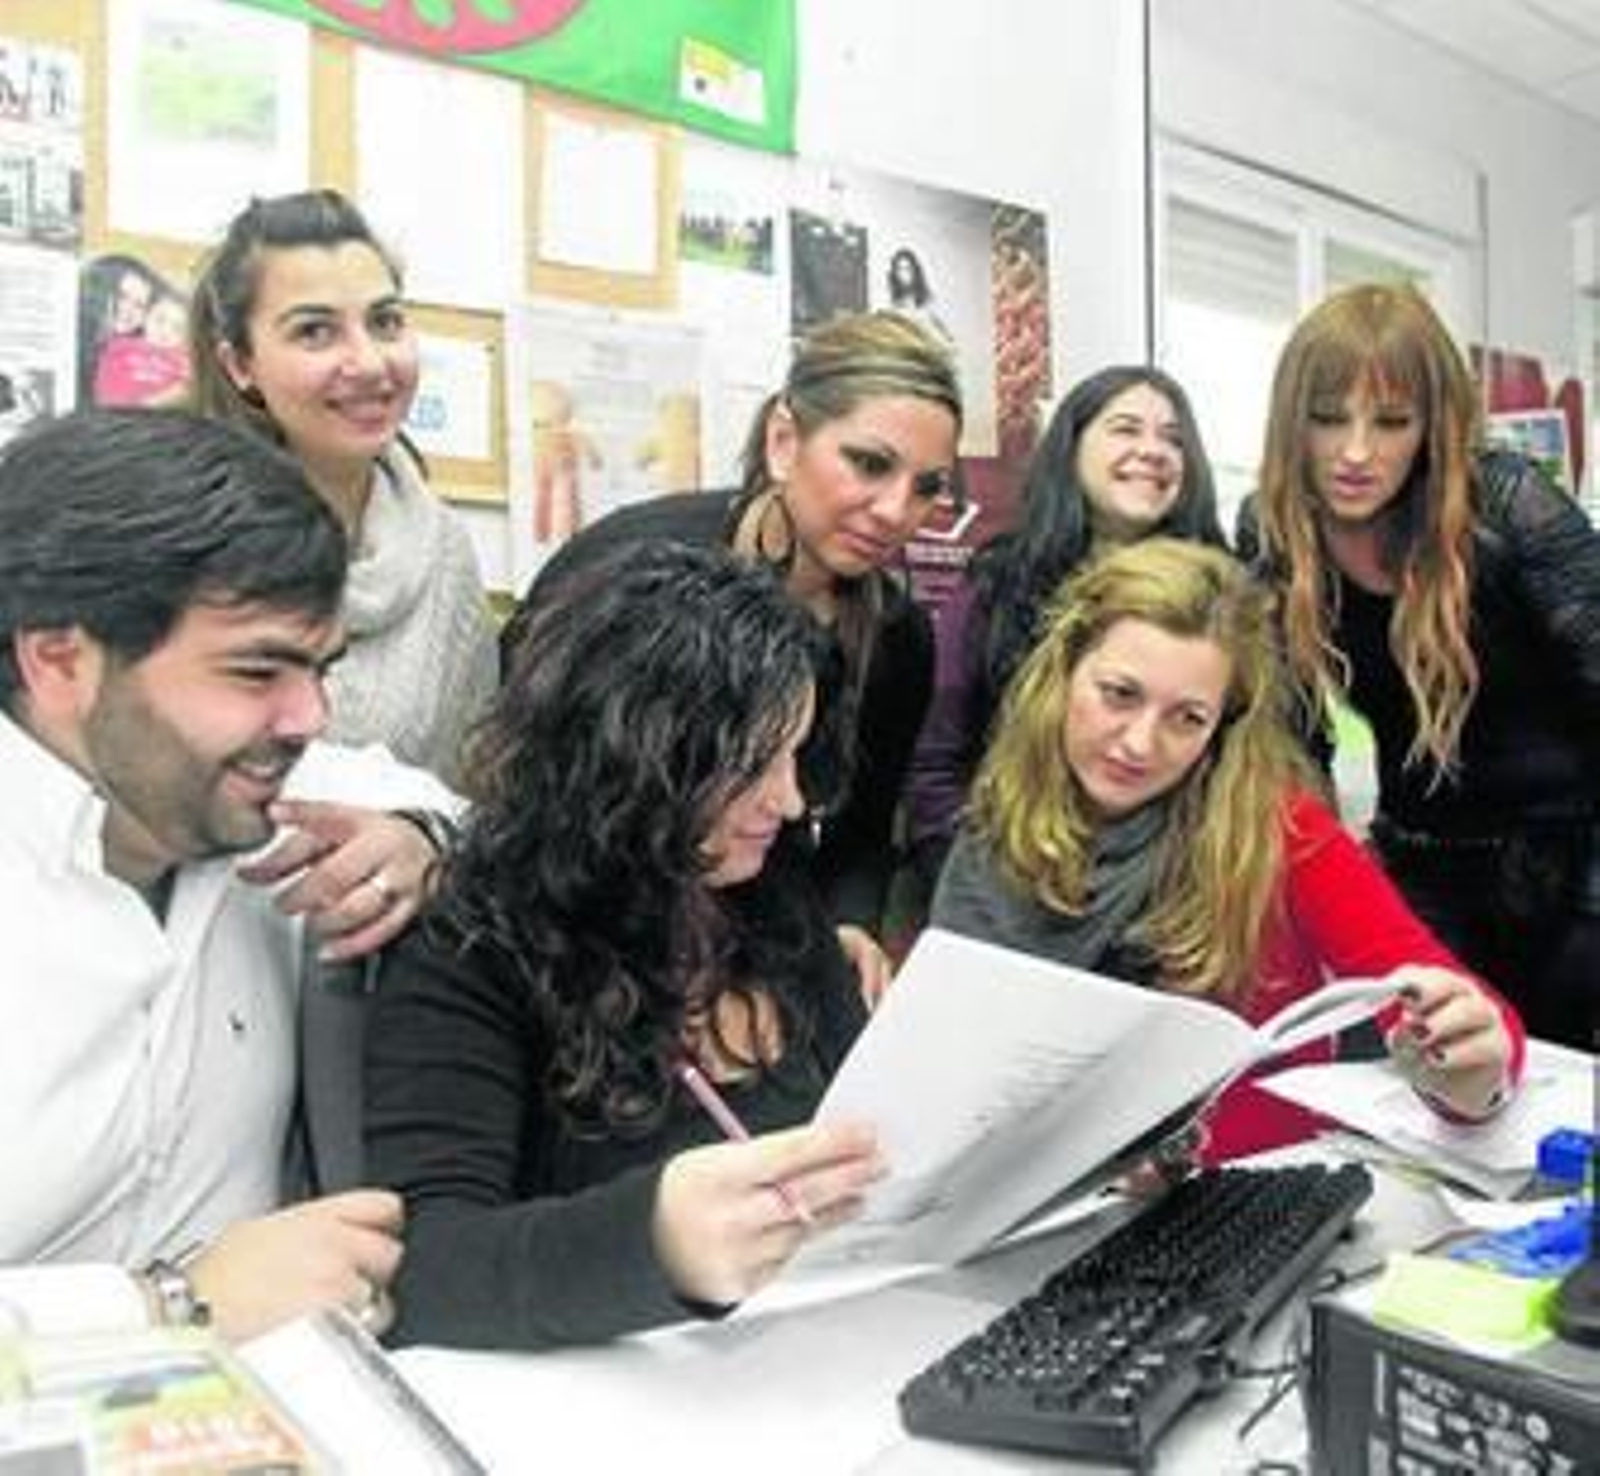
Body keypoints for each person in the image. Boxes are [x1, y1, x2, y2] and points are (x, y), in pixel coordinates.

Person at [0, 408, 460, 1343]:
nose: (309, 716)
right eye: (258, 671)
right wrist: (169, 1306)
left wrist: (423, 841)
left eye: (320, 669)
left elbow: (478, 818)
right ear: (59, 661)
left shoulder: (245, 792)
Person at [365, 542, 884, 1350]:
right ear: (637, 760)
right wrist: (658, 1243)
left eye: (794, 756)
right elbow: (425, 1268)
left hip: (809, 1361)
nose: (787, 801)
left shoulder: (773, 901)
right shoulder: (472, 948)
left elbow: (871, 1133)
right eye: (751, 766)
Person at [931, 539, 1524, 1161]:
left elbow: (1454, 1012)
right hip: (1028, 1204)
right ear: (1064, 674)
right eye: (1120, 694)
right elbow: (950, 1056)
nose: (1138, 743)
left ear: (1223, 728)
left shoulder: (1281, 831)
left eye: (1186, 718)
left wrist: (1468, 1071)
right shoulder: (999, 820)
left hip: (1238, 1205)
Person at [504, 310, 963, 1001]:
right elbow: (530, 790)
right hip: (579, 945)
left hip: (762, 953)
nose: (896, 510)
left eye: (927, 486)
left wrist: (843, 925)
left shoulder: (897, 638)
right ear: (784, 439)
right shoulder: (632, 569)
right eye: (869, 464)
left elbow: (862, 834)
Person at [1248, 283, 1600, 1050]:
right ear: (1291, 421)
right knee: (1416, 1093)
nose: (1355, 452)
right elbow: (1292, 746)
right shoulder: (1273, 533)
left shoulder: (1508, 506)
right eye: (1328, 418)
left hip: (1572, 863)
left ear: (1433, 425)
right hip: (1421, 864)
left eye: (1392, 422)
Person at [187, 188, 497, 785]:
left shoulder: (444, 551)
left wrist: (423, 836)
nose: (371, 363)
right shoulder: (178, 536)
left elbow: (473, 791)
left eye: (385, 322)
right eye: (315, 332)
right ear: (239, 365)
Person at [908, 366, 1226, 881]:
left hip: (1175, 892)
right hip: (1000, 879)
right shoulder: (998, 579)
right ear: (1070, 446)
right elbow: (936, 762)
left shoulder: (1227, 601)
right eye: (1125, 428)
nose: (1153, 450)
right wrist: (978, 889)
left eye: (1173, 439)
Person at [885, 246, 951, 343]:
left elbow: (943, 330)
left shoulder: (928, 301)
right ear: (894, 273)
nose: (903, 274)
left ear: (914, 271)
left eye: (907, 269)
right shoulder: (895, 306)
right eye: (899, 269)